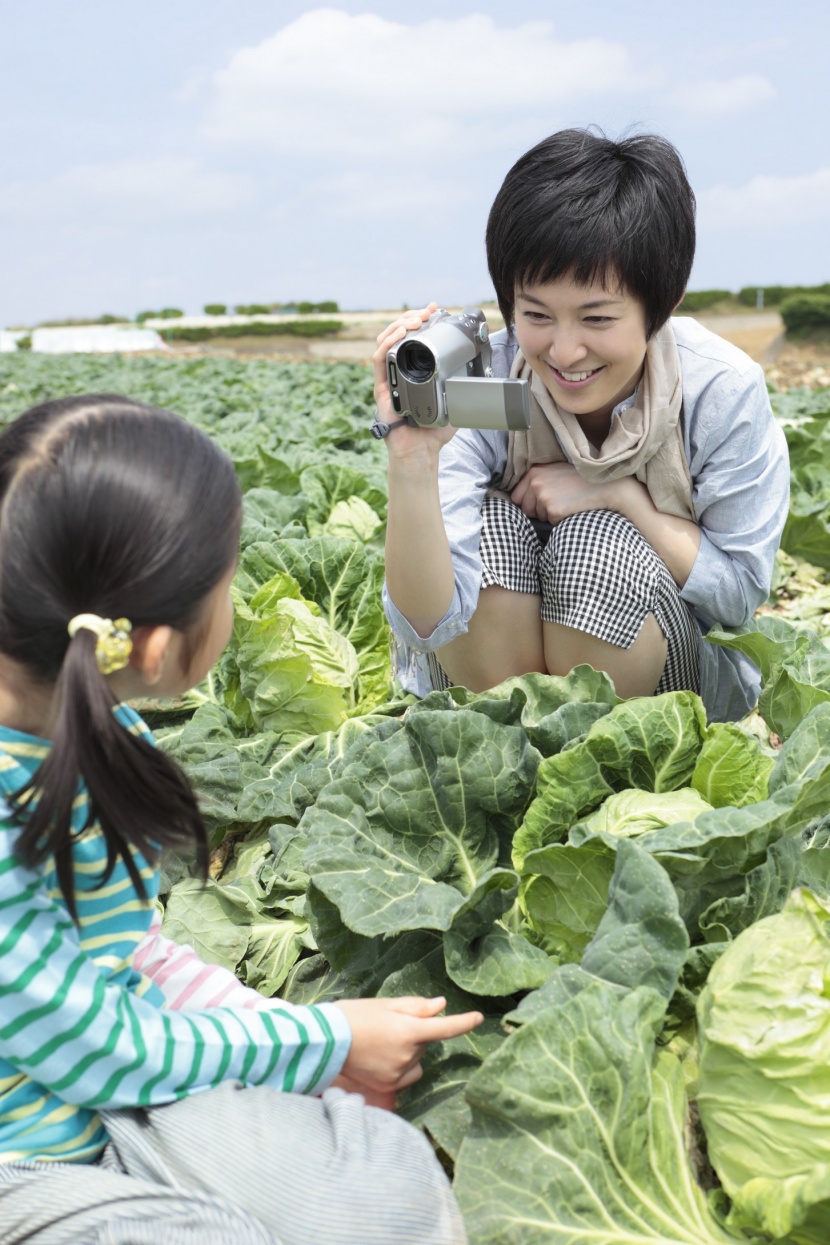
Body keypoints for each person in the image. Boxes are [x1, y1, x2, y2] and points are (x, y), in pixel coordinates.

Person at [0, 394, 481, 1245]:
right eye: (228, 582)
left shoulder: (95, 724)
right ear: (151, 651)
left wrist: (293, 1045)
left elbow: (127, 952)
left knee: (390, 1193)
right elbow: (103, 1046)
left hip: (107, 1097)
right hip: (25, 1159)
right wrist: (319, 1038)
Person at [375, 129, 790, 723]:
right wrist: (412, 460)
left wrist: (624, 501)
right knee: (484, 533)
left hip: (667, 691)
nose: (565, 351)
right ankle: (515, 762)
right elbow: (424, 623)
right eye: (537, 315)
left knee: (595, 545)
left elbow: (738, 593)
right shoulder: (485, 379)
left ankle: (596, 774)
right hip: (499, 667)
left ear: (661, 306)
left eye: (596, 317)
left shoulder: (717, 388)